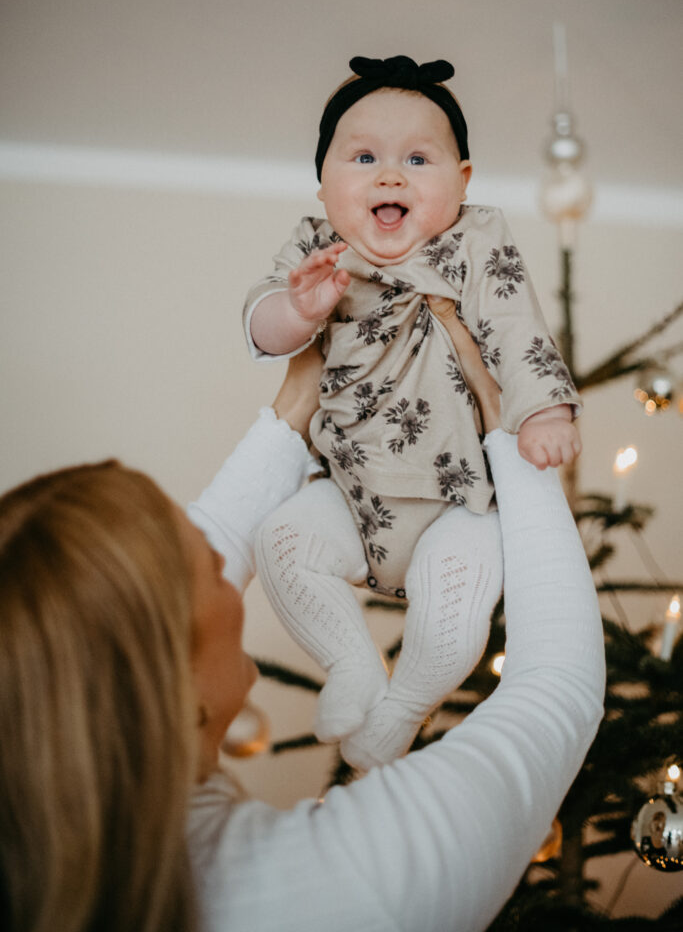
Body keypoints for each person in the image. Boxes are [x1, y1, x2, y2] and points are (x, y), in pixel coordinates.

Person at [0, 304, 604, 932]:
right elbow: (558, 686)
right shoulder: (348, 882)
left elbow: (167, 570)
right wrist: (507, 422)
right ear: (169, 685)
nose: (226, 558)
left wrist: (299, 398)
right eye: (209, 565)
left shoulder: (44, 837)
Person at [243, 54, 582, 769]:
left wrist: (545, 412)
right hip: (349, 493)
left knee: (454, 615)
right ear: (323, 182)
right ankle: (352, 665)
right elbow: (264, 326)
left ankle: (402, 707)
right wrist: (298, 310)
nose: (390, 176)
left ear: (462, 180)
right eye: (364, 157)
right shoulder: (318, 250)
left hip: (460, 501)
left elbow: (515, 329)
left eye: (418, 160)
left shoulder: (475, 243)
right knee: (280, 542)